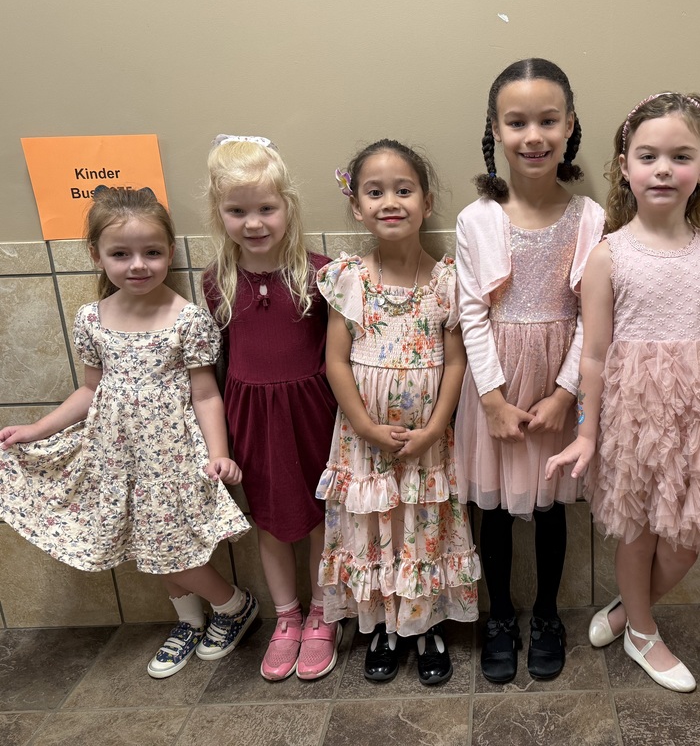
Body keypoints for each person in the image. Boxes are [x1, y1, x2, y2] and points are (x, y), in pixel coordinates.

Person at [546, 92, 700, 703]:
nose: (663, 168)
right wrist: (587, 431)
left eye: (680, 156)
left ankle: (627, 609)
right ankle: (641, 628)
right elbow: (593, 352)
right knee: (636, 530)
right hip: (631, 411)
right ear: (625, 166)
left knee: (687, 537)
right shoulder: (608, 255)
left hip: (699, 413)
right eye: (649, 156)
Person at [0, 186, 257, 679]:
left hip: (172, 458)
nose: (138, 265)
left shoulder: (187, 319)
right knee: (146, 544)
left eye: (152, 252)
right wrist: (37, 429)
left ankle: (233, 606)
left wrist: (218, 454)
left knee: (168, 545)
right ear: (96, 256)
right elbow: (89, 391)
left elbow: (206, 393)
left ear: (170, 253)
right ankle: (188, 620)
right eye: (121, 254)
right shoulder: (92, 319)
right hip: (114, 456)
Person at [457, 58, 604, 683]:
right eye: (517, 122)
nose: (534, 135)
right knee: (491, 509)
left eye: (549, 120)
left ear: (571, 126)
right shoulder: (476, 219)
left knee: (549, 505)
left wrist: (566, 391)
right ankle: (500, 615)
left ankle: (546, 613)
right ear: (495, 129)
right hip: (494, 384)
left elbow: (592, 317)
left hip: (556, 384)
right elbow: (471, 311)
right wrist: (490, 397)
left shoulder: (590, 217)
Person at [317, 139, 480, 686]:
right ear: (358, 206)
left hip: (427, 445)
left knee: (424, 530)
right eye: (375, 192)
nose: (391, 202)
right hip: (363, 441)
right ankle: (384, 626)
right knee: (374, 528)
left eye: (404, 190)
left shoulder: (445, 281)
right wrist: (364, 424)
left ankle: (427, 623)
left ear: (426, 202)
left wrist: (435, 428)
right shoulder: (349, 279)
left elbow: (456, 364)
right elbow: (335, 361)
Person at [202, 135, 339, 681]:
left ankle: (325, 613)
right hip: (252, 422)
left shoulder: (320, 274)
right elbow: (215, 369)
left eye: (266, 208)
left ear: (288, 208)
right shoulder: (217, 282)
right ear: (220, 215)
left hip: (315, 415)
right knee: (272, 523)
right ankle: (287, 617)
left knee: (322, 520)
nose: (253, 222)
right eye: (238, 211)